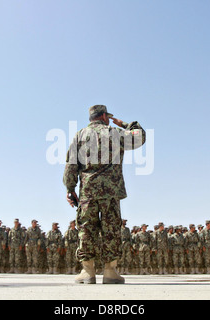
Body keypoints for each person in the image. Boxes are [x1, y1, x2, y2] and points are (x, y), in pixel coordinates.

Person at [63, 105, 146, 284]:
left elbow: (71, 165)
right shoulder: (115, 132)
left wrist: (70, 189)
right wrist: (124, 123)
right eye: (107, 117)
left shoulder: (79, 135)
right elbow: (140, 136)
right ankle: (110, 271)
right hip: (111, 191)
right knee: (111, 230)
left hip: (88, 192)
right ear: (103, 116)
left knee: (86, 229)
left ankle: (87, 271)